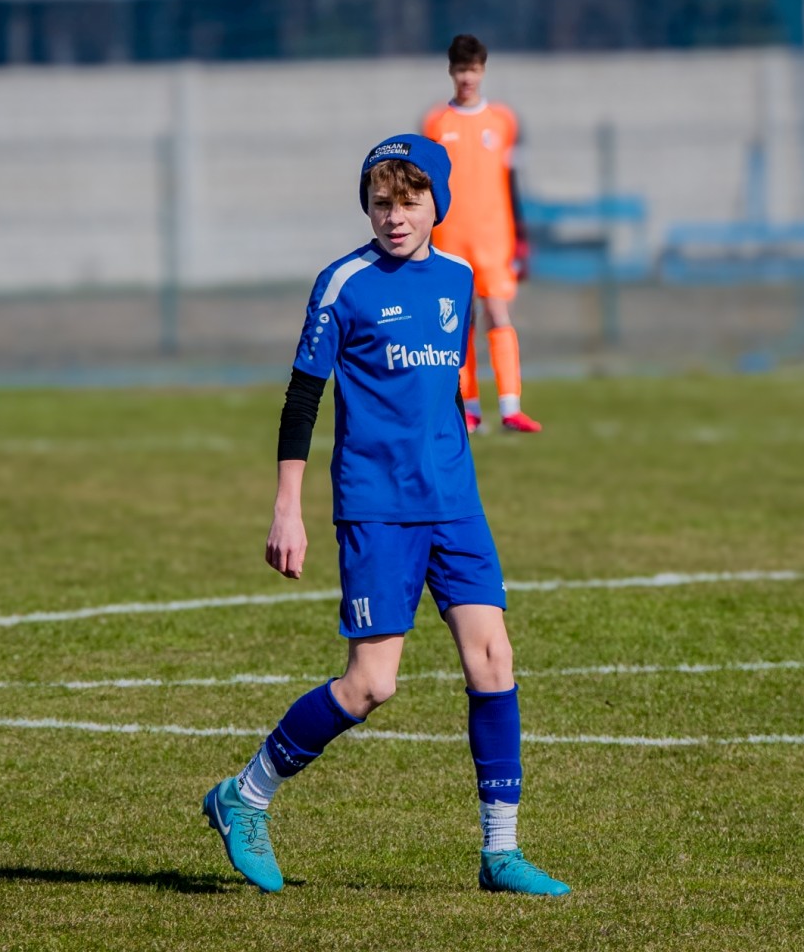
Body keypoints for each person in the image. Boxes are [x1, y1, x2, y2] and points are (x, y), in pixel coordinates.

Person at [201, 134, 569, 898]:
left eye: (409, 201)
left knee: (493, 660)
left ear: (438, 203)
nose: (394, 217)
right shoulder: (344, 284)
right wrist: (287, 509)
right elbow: (302, 399)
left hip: (455, 504)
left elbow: (447, 389)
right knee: (371, 685)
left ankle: (501, 853)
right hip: (376, 508)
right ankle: (245, 794)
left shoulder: (460, 279)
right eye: (380, 203)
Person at [422, 33, 541, 434]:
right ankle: (469, 407)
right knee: (458, 321)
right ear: (450, 72)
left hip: (495, 237)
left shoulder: (503, 121)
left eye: (472, 69)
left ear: (483, 71)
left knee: (498, 312)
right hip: (451, 236)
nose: (467, 77)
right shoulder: (436, 122)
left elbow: (512, 182)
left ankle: (510, 407)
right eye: (460, 69)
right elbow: (427, 186)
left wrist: (521, 236)